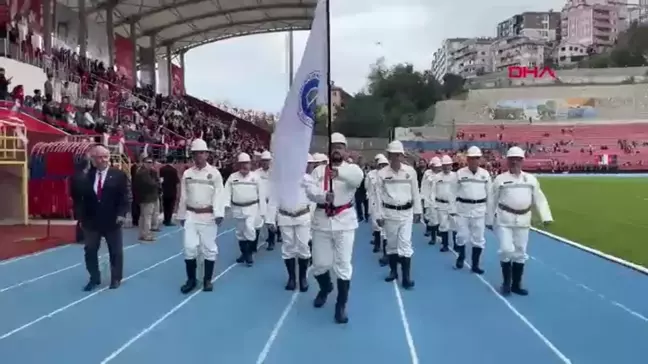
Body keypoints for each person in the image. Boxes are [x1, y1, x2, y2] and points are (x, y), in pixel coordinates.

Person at [305, 132, 364, 324]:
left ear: (345, 150)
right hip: (322, 220)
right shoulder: (319, 171)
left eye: (340, 146)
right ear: (328, 150)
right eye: (334, 146)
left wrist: (338, 174)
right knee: (320, 264)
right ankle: (325, 287)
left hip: (344, 222)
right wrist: (323, 197)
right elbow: (311, 191)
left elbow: (356, 180)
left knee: (343, 265)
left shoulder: (352, 169)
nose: (337, 149)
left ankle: (340, 306)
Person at [487, 146, 552, 296]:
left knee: (520, 252)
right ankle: (506, 283)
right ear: (507, 161)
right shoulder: (500, 179)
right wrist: (489, 219)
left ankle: (516, 284)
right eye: (512, 159)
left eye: (518, 159)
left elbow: (539, 199)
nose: (515, 162)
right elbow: (492, 200)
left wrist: (546, 217)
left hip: (523, 220)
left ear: (522, 161)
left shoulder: (530, 179)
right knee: (506, 249)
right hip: (504, 220)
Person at [176, 139, 225, 294]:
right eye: (195, 153)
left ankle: (207, 280)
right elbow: (183, 196)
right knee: (189, 248)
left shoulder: (214, 174)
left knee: (209, 249)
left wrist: (219, 213)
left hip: (208, 216)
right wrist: (181, 214)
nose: (199, 156)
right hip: (191, 215)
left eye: (201, 153)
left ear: (207, 154)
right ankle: (191, 279)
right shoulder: (187, 174)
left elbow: (219, 195)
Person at [79, 144, 129, 291]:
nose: (104, 160)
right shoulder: (87, 176)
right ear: (93, 159)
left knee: (115, 251)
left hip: (112, 220)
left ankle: (116, 278)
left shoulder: (119, 175)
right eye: (100, 157)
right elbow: (83, 198)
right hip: (91, 221)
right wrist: (81, 217)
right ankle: (94, 278)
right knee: (90, 250)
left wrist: (121, 214)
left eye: (106, 156)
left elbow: (125, 197)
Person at [374, 141, 421, 289]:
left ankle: (406, 278)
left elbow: (415, 192)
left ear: (402, 156)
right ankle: (393, 271)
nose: (395, 158)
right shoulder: (381, 174)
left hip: (406, 213)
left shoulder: (410, 172)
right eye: (393, 155)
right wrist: (378, 215)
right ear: (389, 156)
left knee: (405, 245)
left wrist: (418, 211)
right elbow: (377, 196)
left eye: (398, 155)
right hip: (389, 214)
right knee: (392, 245)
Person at [266, 159, 312, 292]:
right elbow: (273, 201)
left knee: (303, 246)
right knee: (288, 248)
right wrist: (270, 219)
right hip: (285, 217)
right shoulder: (279, 182)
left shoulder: (307, 179)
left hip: (302, 216)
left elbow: (313, 198)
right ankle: (291, 278)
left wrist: (313, 217)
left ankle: (303, 278)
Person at [223, 152, 267, 267]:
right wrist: (226, 206)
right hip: (237, 208)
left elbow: (261, 194)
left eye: (246, 163)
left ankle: (249, 253)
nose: (244, 166)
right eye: (242, 163)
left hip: (252, 208)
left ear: (250, 164)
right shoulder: (233, 177)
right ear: (238, 164)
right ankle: (244, 253)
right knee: (240, 232)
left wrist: (263, 211)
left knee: (250, 229)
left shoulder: (255, 177)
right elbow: (227, 192)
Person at [453, 146, 491, 274]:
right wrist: (452, 209)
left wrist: (490, 213)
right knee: (461, 236)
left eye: (476, 158)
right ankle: (461, 256)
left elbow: (490, 194)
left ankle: (475, 264)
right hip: (463, 208)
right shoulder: (459, 173)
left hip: (479, 209)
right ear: (467, 159)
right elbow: (452, 192)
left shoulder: (485, 174)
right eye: (471, 158)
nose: (474, 161)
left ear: (479, 159)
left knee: (478, 238)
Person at [365, 154, 389, 264]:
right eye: (380, 165)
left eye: (384, 165)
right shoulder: (371, 175)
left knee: (386, 231)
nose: (382, 167)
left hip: (387, 205)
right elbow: (368, 188)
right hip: (375, 203)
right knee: (376, 226)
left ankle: (386, 254)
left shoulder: (390, 175)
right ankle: (377, 244)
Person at [256, 151, 280, 250]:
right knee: (257, 222)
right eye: (264, 161)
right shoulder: (257, 173)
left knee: (271, 221)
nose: (265, 163)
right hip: (261, 201)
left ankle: (271, 241)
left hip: (272, 201)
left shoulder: (275, 173)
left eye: (267, 161)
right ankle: (254, 244)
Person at [434, 155, 457, 252]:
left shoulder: (455, 176)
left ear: (451, 165)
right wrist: (434, 204)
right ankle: (445, 244)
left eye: (448, 165)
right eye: (444, 165)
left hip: (453, 204)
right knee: (443, 225)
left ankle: (457, 245)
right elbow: (433, 191)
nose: (446, 167)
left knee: (455, 225)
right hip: (441, 204)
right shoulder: (437, 177)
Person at [133, 156, 160, 241]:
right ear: (143, 163)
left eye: (151, 162)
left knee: (143, 216)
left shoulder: (142, 172)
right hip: (147, 197)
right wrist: (157, 183)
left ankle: (142, 234)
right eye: (148, 162)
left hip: (144, 197)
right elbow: (150, 184)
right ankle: (146, 235)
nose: (150, 164)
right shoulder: (143, 173)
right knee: (147, 217)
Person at [421, 156, 441, 245]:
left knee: (440, 219)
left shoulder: (442, 175)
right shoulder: (427, 173)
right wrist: (423, 198)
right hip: (429, 199)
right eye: (436, 166)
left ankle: (440, 235)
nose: (438, 168)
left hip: (439, 199)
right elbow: (423, 186)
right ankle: (433, 236)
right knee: (430, 218)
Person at [70, 156, 91, 243]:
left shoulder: (75, 176)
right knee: (83, 219)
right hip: (82, 201)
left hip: (77, 200)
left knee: (80, 219)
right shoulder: (83, 177)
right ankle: (82, 236)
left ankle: (80, 236)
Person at [159, 157, 180, 226]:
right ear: (173, 161)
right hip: (172, 190)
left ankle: (165, 219)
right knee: (170, 207)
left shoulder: (162, 169)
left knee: (165, 206)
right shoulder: (174, 170)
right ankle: (168, 220)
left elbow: (161, 180)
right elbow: (177, 181)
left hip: (164, 190)